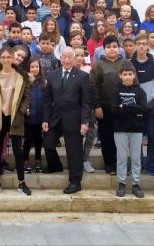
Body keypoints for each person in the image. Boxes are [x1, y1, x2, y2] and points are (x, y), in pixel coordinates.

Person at [42, 47, 91, 194]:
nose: (67, 60)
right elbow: (47, 99)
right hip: (56, 118)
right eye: (64, 57)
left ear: (75, 58)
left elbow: (86, 102)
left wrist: (85, 122)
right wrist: (45, 119)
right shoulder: (52, 75)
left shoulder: (82, 76)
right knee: (48, 142)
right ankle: (55, 165)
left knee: (74, 151)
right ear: (60, 58)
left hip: (74, 119)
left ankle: (75, 181)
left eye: (70, 57)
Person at [0, 46, 31, 196]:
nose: (6, 60)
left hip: (15, 116)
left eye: (8, 57)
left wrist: (22, 110)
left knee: (18, 150)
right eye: (3, 57)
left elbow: (26, 97)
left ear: (13, 58)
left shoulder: (21, 75)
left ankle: (21, 182)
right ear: (0, 59)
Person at [90, 35, 132, 174]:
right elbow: (93, 87)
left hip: (123, 108)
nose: (112, 49)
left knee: (122, 138)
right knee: (107, 137)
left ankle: (122, 165)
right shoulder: (98, 65)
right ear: (104, 49)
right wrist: (97, 106)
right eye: (108, 47)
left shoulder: (126, 63)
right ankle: (109, 164)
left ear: (118, 48)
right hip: (105, 108)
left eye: (114, 46)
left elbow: (134, 83)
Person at [130, 34, 154, 176]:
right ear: (135, 45)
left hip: (151, 107)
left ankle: (150, 163)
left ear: (148, 46)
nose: (141, 46)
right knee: (137, 138)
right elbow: (127, 83)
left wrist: (149, 98)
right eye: (138, 43)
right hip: (136, 107)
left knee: (151, 136)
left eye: (144, 43)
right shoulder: (130, 63)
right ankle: (137, 163)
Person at [112, 62, 148, 198]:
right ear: (120, 75)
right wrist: (134, 110)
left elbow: (143, 109)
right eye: (125, 74)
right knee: (121, 157)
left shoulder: (139, 91)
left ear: (134, 75)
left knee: (136, 158)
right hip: (120, 129)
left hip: (136, 129)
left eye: (130, 74)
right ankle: (121, 183)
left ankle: (135, 184)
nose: (127, 77)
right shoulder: (116, 90)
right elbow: (114, 110)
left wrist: (124, 108)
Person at [24, 59, 45, 174]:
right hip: (29, 117)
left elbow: (46, 100)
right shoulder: (26, 81)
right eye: (32, 67)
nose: (34, 69)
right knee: (28, 139)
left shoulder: (43, 82)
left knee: (38, 140)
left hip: (40, 117)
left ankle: (38, 160)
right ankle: (25, 160)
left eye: (36, 67)